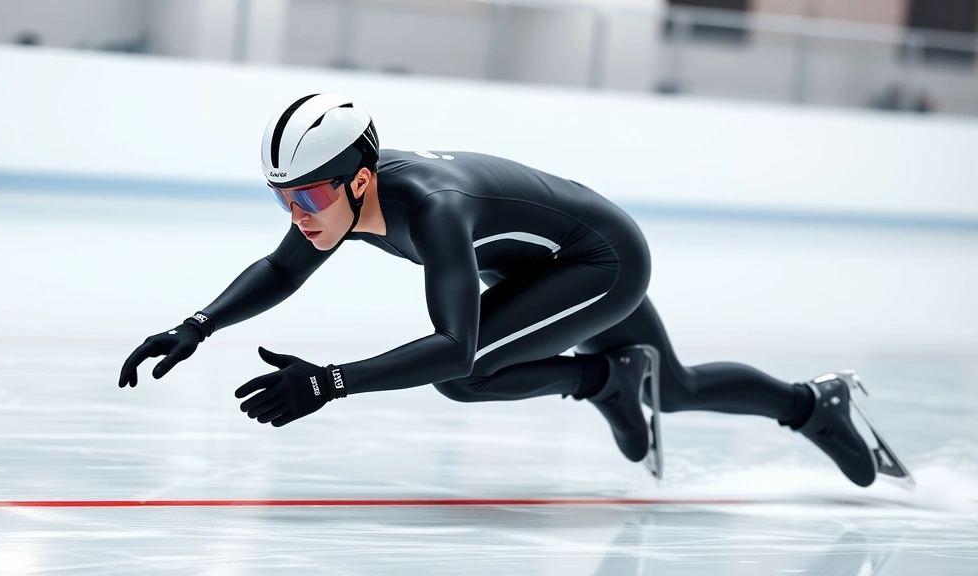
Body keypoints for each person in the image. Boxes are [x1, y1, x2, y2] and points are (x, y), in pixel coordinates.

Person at [118, 93, 912, 488]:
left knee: (463, 377)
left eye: (309, 198)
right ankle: (816, 403)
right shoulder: (338, 201)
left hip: (602, 261)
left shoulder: (433, 209)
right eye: (282, 197)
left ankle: (604, 376)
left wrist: (330, 381)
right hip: (552, 262)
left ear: (359, 178)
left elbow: (454, 346)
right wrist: (195, 326)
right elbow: (282, 269)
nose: (297, 215)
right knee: (675, 388)